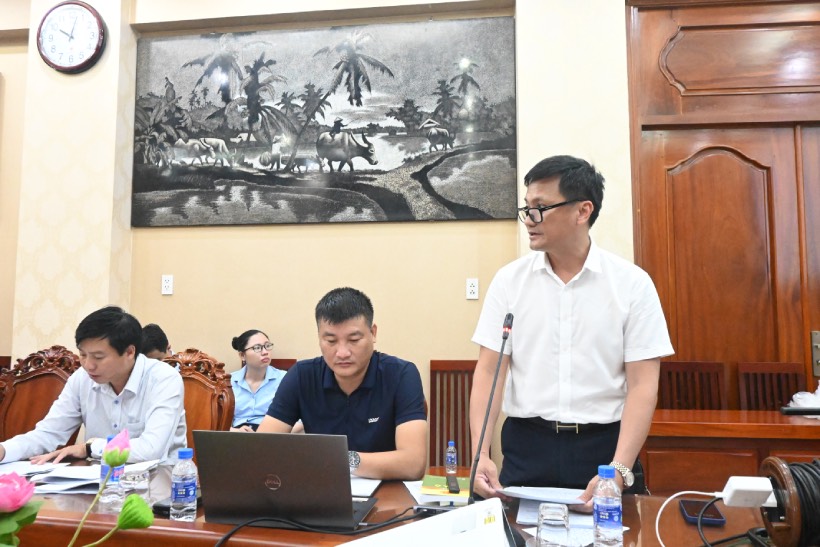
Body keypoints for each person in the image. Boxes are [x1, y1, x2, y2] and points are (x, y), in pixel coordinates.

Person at [469, 155, 674, 506]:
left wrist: (621, 469)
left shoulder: (632, 285)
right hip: (526, 446)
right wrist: (480, 454)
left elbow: (642, 385)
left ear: (583, 211)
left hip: (603, 450)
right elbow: (490, 372)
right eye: (526, 207)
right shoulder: (509, 282)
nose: (528, 220)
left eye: (541, 207)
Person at [257, 287, 427, 480]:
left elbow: (413, 464)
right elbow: (262, 449)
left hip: (388, 494)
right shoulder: (302, 376)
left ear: (373, 333)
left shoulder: (401, 374)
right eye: (331, 341)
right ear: (319, 338)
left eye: (354, 339)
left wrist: (340, 459)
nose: (342, 353)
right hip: (320, 491)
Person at [0, 306, 187, 464]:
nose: (88, 365)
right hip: (98, 484)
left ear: (130, 352)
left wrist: (89, 448)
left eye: (98, 357)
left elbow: (151, 449)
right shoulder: (82, 378)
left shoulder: (164, 379)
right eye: (82, 355)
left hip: (162, 487)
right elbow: (47, 434)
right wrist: (4, 450)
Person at [229, 329, 285, 432]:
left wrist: (262, 434)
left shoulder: (284, 379)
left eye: (267, 346)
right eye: (257, 348)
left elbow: (301, 420)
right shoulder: (228, 382)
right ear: (242, 356)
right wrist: (235, 431)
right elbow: (216, 419)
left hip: (271, 437)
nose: (265, 352)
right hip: (236, 436)